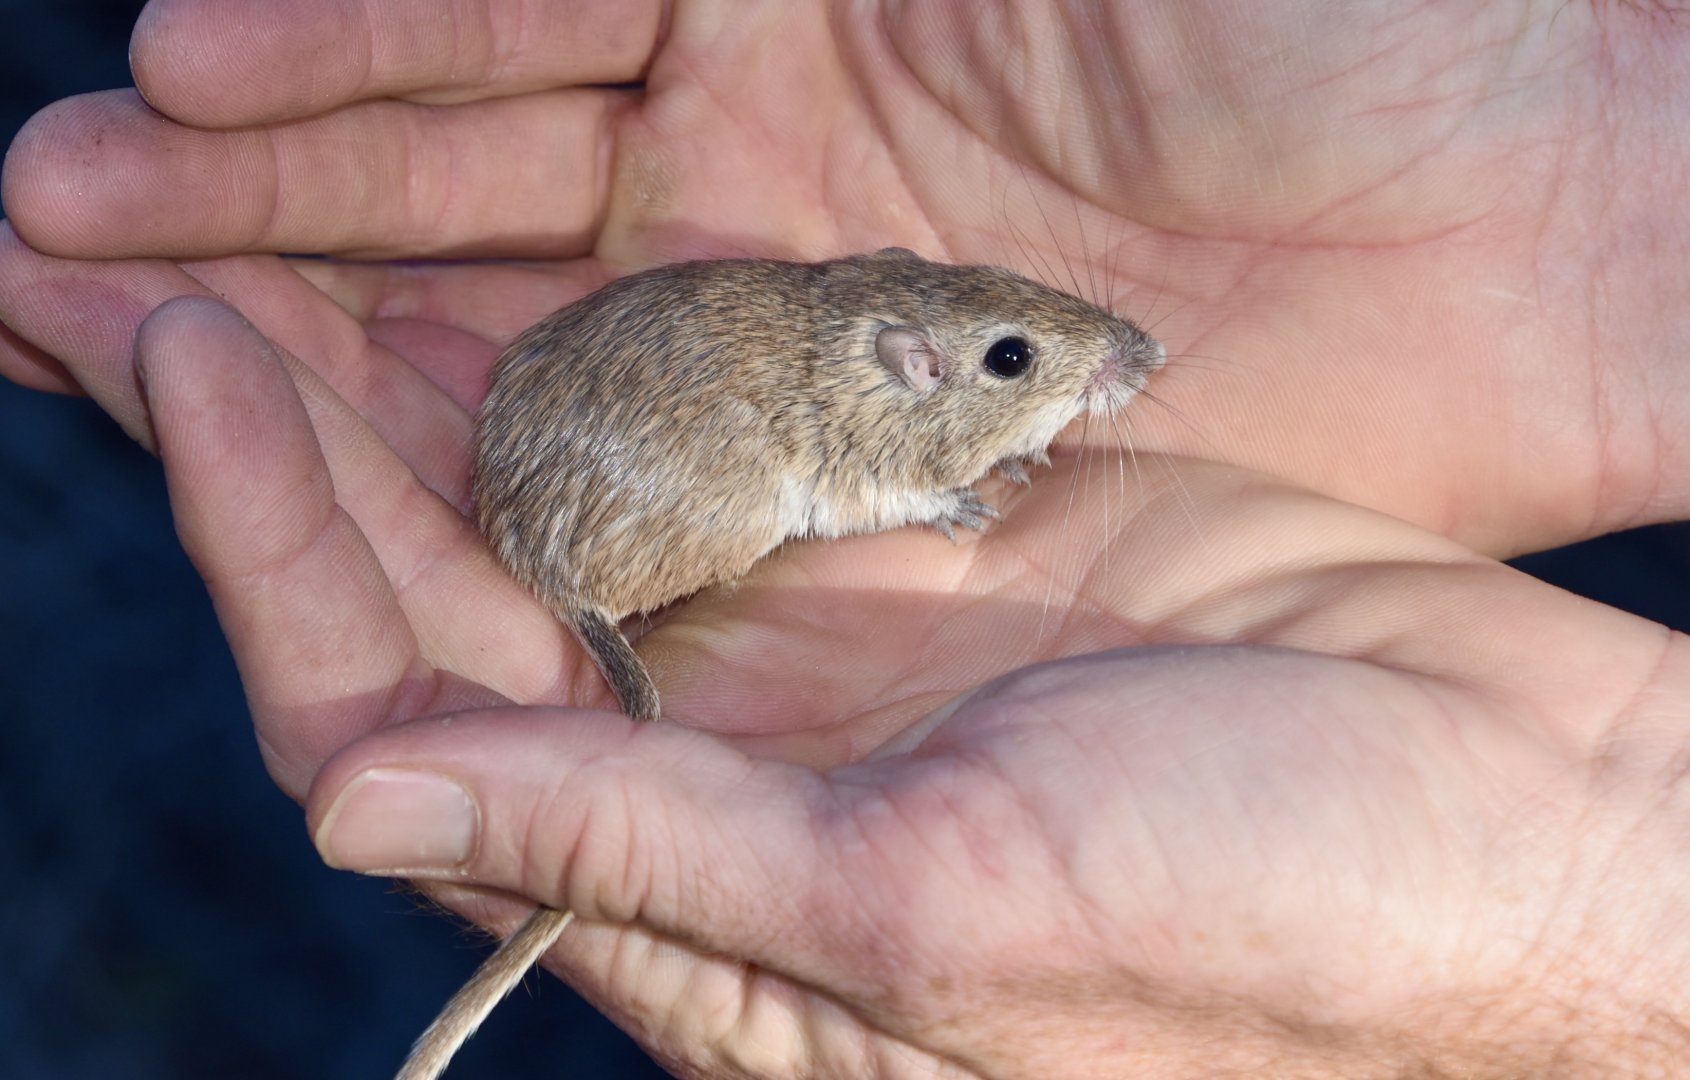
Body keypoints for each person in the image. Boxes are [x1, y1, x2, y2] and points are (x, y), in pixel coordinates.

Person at [3, 1, 1688, 1074]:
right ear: (906, 358)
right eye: (1022, 363)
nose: (1093, 377)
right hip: (645, 497)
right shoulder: (870, 414)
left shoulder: (879, 347)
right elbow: (863, 470)